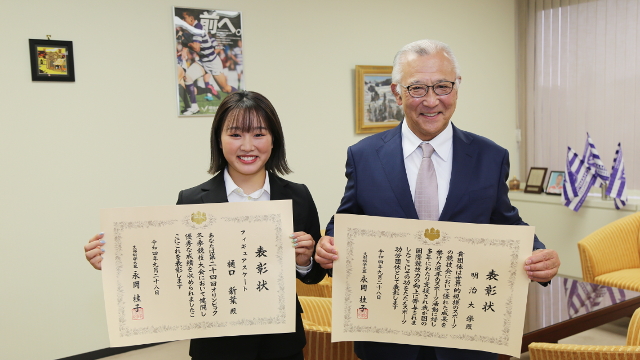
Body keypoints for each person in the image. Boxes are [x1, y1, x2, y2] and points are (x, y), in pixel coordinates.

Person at [314, 39, 561, 360]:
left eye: (442, 87)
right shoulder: (364, 157)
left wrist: (540, 254)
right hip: (389, 337)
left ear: (457, 88)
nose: (431, 101)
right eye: (417, 88)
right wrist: (328, 244)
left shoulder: (490, 157)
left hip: (465, 335)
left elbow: (504, 221)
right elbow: (345, 224)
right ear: (396, 93)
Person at [85, 91, 326, 360]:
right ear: (219, 141)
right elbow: (171, 268)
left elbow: (314, 275)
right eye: (235, 135)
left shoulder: (298, 196)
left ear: (274, 140)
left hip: (281, 344)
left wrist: (304, 260)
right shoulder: (192, 200)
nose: (247, 146)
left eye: (259, 134)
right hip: (215, 345)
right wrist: (114, 261)